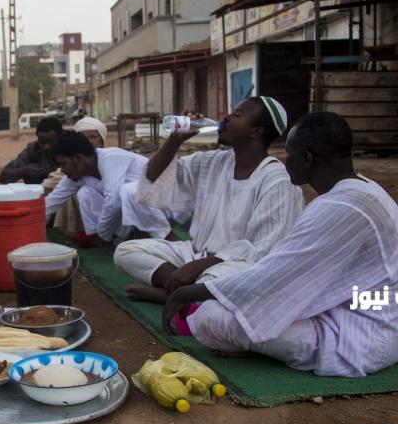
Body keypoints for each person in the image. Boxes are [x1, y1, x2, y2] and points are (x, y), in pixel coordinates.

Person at [163, 112, 398, 377]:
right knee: (237, 298)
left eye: (289, 153)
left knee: (211, 317)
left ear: (307, 158)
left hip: (364, 340)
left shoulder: (338, 206)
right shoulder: (364, 189)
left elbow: (273, 277)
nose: (284, 162)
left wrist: (189, 293)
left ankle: (255, 346)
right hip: (385, 322)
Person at [114, 96, 304, 303]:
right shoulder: (215, 161)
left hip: (238, 265)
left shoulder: (278, 181)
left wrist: (199, 266)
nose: (227, 118)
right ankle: (187, 294)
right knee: (126, 251)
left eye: (237, 115)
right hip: (197, 255)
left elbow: (264, 250)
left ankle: (180, 294)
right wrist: (175, 140)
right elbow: (153, 178)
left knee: (226, 278)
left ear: (256, 131)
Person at [43, 131, 172, 246]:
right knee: (85, 192)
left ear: (77, 158)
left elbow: (113, 203)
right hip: (131, 215)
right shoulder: (78, 173)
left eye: (63, 164)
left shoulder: (112, 158)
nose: (63, 170)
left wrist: (102, 236)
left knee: (127, 191)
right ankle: (105, 239)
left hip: (162, 205)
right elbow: (50, 203)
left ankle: (166, 238)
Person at [0, 116, 62, 184]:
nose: (46, 147)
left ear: (60, 137)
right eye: (42, 142)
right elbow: (3, 177)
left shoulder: (70, 151)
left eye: (51, 142)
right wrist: (24, 171)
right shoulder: (32, 150)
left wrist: (47, 173)